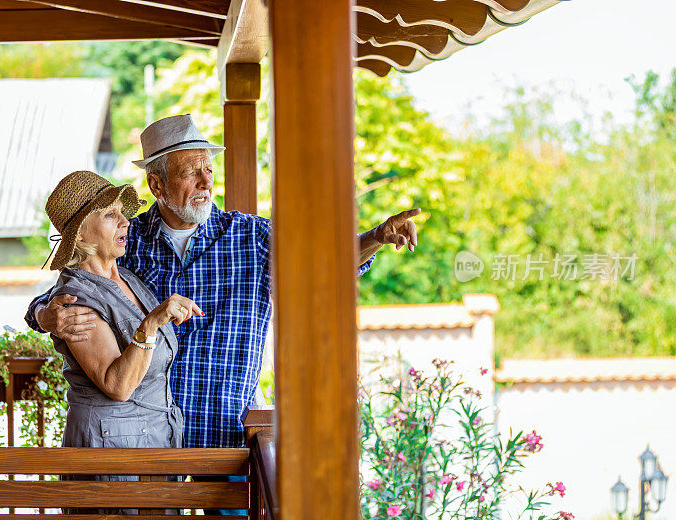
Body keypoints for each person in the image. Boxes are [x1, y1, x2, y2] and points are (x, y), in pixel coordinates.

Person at [26, 114, 421, 451]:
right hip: (149, 446)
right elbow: (72, 291)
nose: (205, 181)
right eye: (189, 172)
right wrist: (45, 315)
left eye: (208, 170)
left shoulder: (253, 237)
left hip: (225, 441)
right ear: (157, 186)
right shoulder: (127, 240)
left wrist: (375, 238)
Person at [44, 170, 202, 514]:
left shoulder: (125, 276)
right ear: (81, 232)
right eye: (110, 214)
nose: (125, 222)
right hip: (112, 453)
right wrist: (152, 323)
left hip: (151, 445)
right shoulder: (76, 298)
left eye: (123, 212)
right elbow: (117, 384)